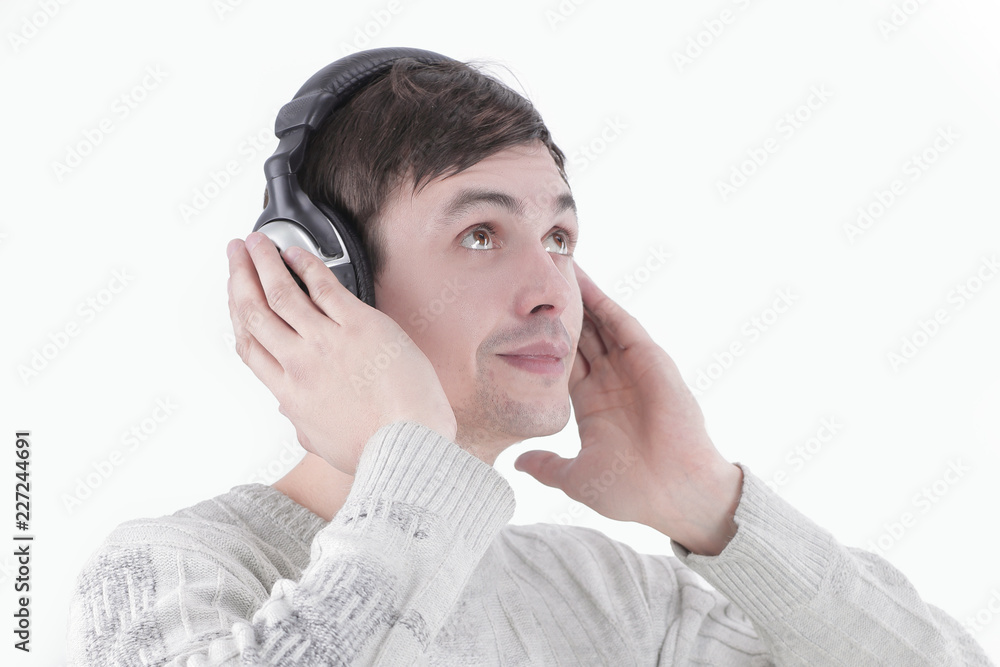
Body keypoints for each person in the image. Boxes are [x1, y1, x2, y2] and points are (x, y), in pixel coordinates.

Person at [67, 54, 994, 666]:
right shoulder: (170, 569)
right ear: (330, 278)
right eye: (480, 233)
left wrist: (710, 503)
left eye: (558, 236)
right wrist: (407, 458)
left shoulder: (605, 594)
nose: (555, 290)